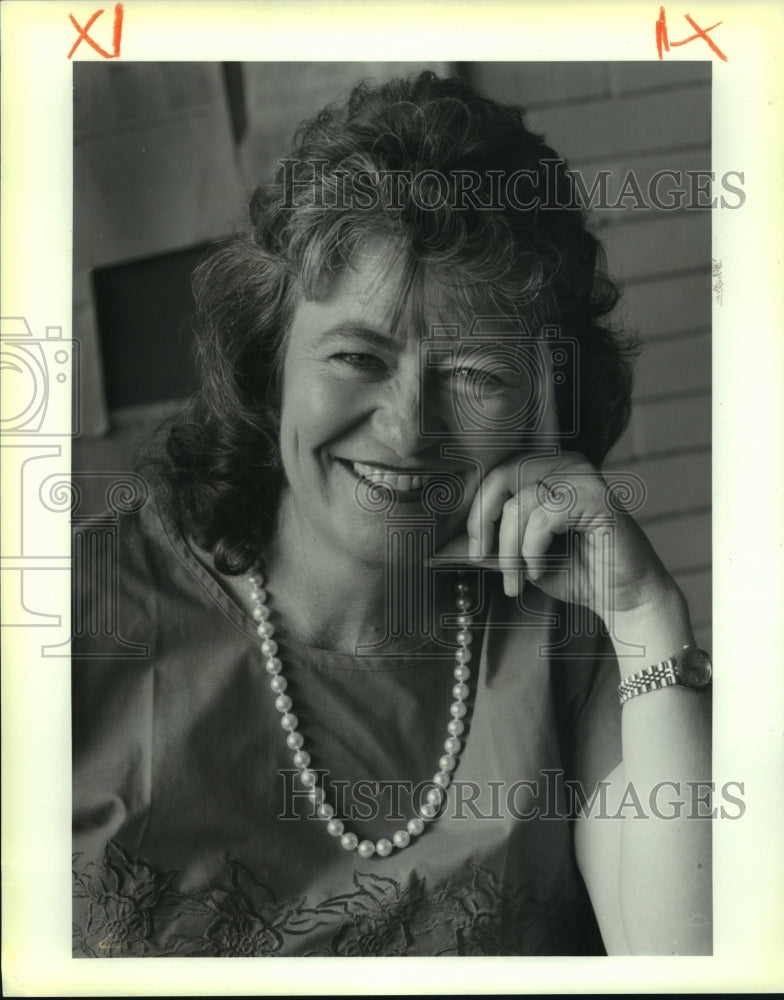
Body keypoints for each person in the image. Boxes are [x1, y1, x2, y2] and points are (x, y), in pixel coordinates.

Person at [72, 71, 712, 957]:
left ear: (542, 406)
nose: (410, 430)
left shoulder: (572, 642)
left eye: (476, 375)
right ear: (271, 364)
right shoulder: (71, 615)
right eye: (357, 358)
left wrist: (649, 618)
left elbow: (690, 963)